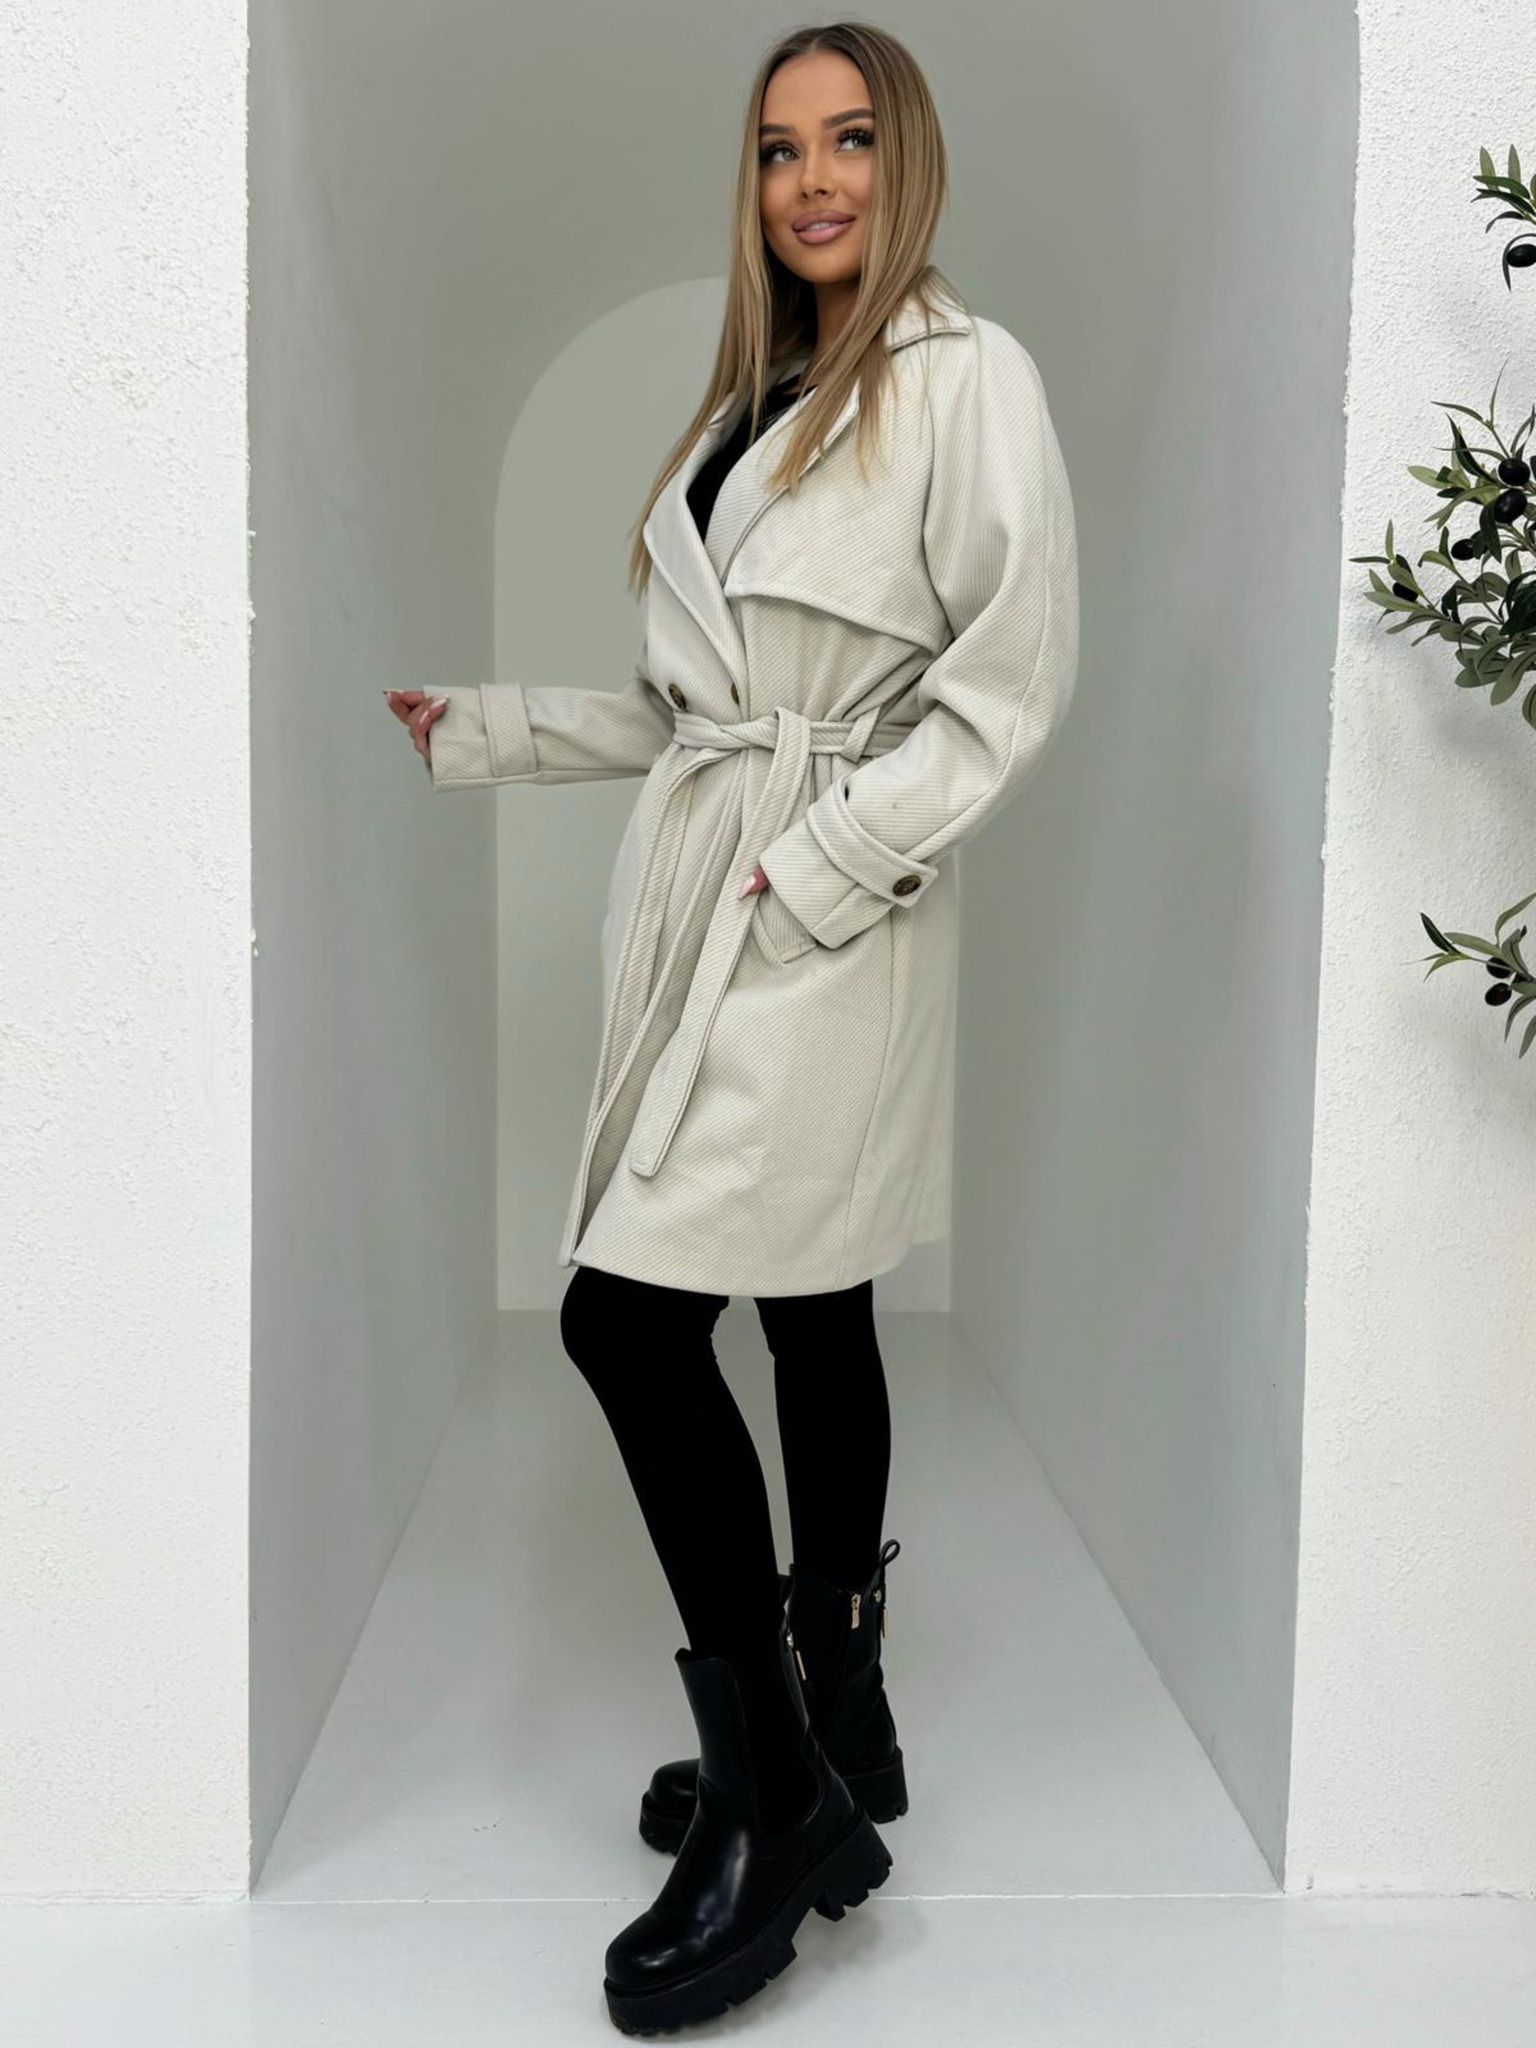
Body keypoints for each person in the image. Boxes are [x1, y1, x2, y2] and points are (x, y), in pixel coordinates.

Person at [385, 20, 1079, 2034]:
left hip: (823, 904)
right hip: (743, 868)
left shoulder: (967, 376)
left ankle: (774, 1801)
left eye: (850, 139)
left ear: (906, 158)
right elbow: (708, 706)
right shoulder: (759, 390)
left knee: (626, 1319)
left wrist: (824, 865)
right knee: (814, 1304)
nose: (814, 180)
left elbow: (1011, 683)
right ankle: (839, 1737)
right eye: (780, 149)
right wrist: (494, 729)